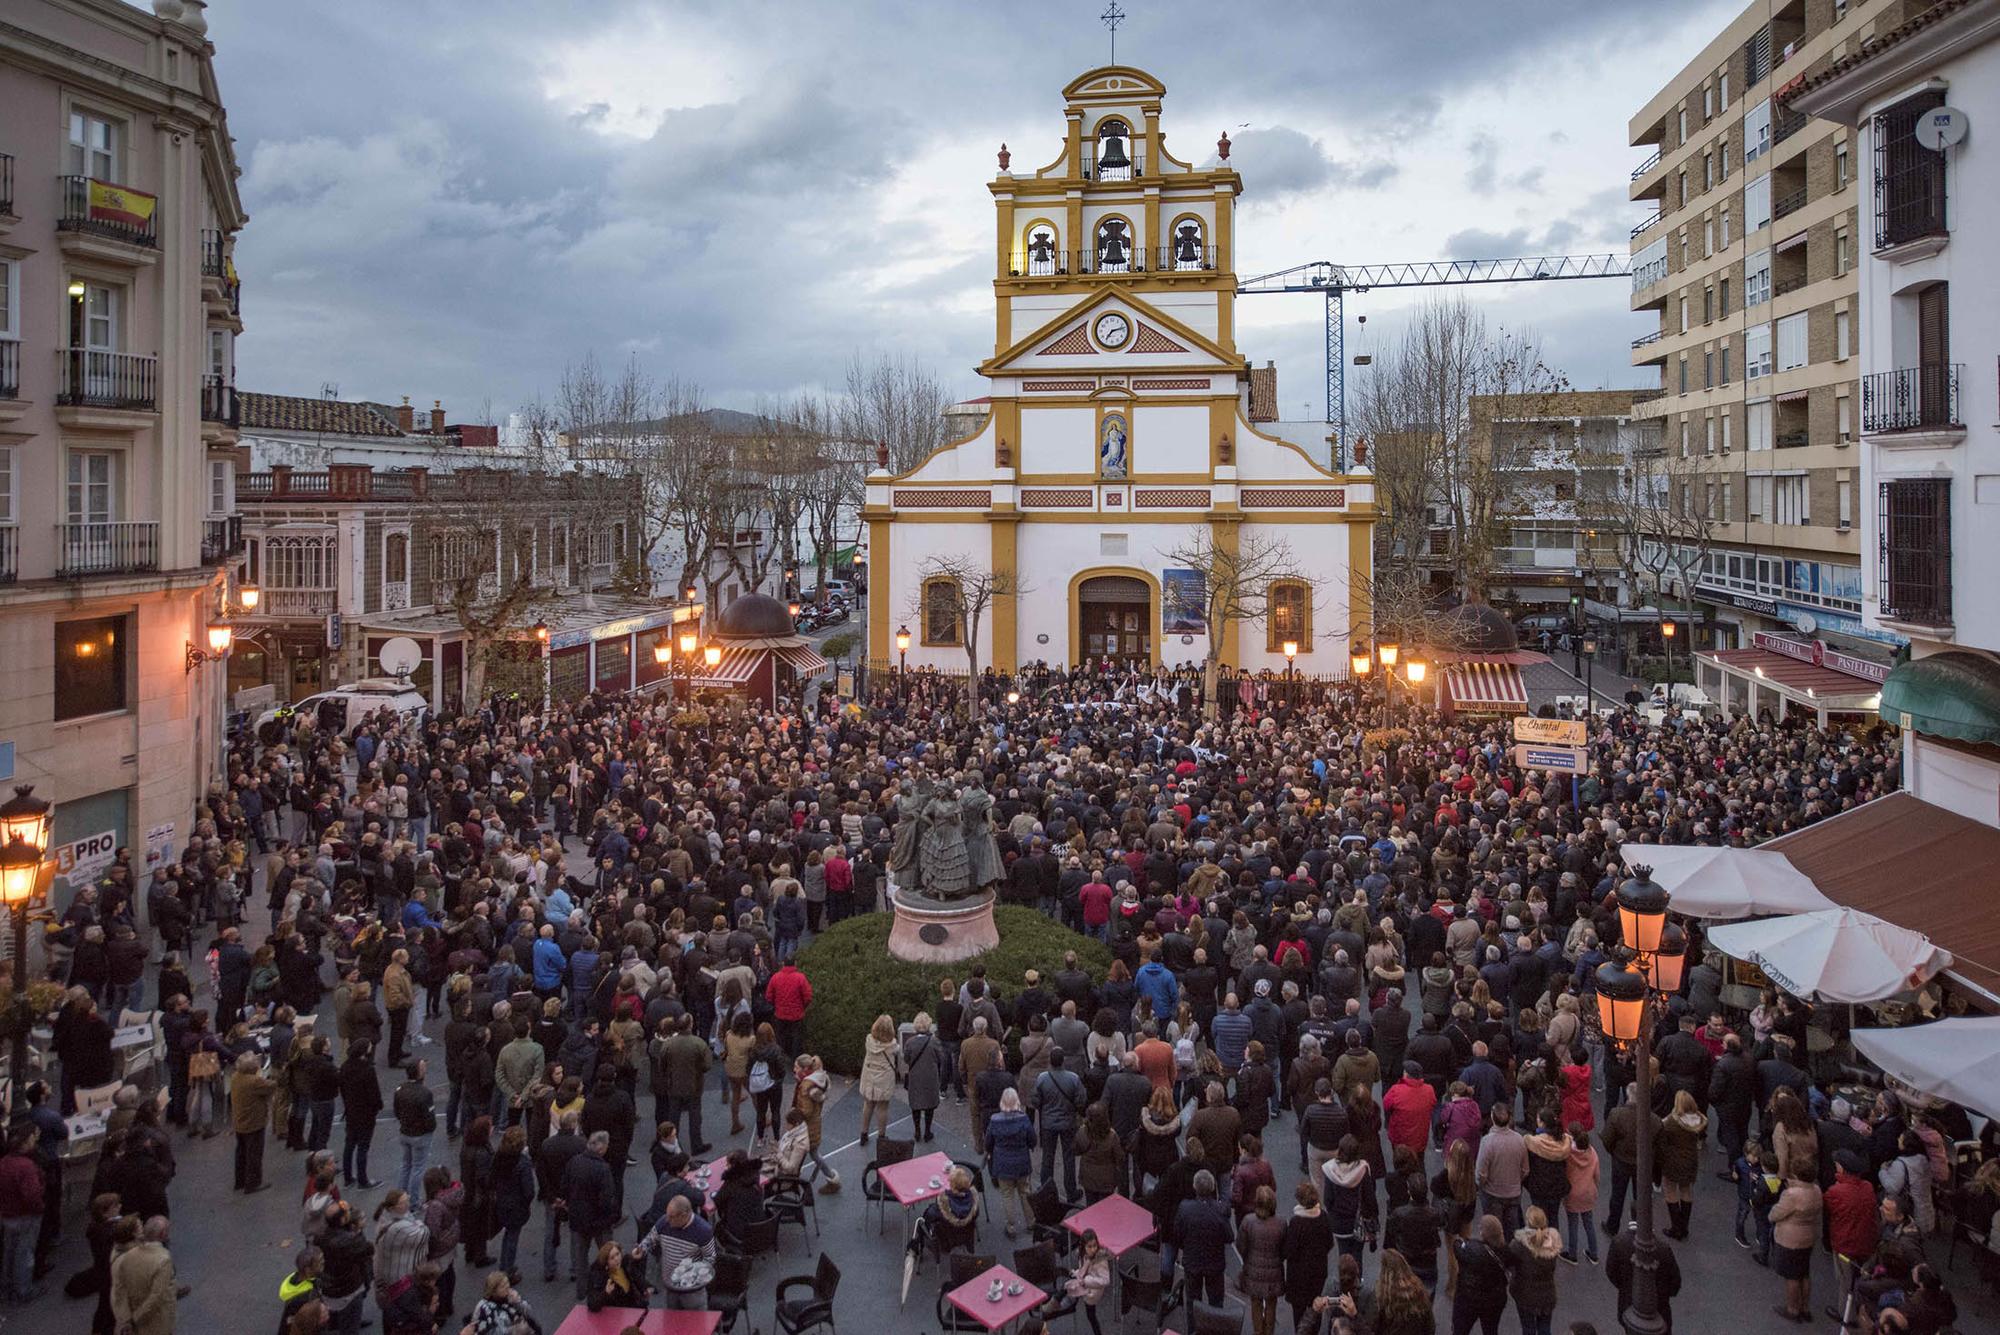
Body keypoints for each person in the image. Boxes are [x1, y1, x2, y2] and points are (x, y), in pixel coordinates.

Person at [630, 1193, 715, 1309]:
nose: (667, 1219)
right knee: (672, 1323)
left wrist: (692, 1274)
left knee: (695, 1323)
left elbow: (710, 1258)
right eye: (667, 1215)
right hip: (670, 1288)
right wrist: (642, 1249)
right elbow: (651, 1239)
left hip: (692, 1292)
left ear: (684, 1215)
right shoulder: (664, 1222)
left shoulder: (703, 1231)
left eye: (671, 1216)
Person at [1164, 1168, 1233, 1309]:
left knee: (1193, 1302)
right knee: (1216, 1303)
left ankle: (1193, 1329)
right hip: (1214, 1263)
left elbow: (1177, 1234)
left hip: (1192, 1262)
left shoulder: (1185, 1208)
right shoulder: (1220, 1210)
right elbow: (1229, 1236)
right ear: (1213, 1187)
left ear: (1195, 1187)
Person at [1606, 1220, 1681, 1334]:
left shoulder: (1619, 1243)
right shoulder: (1663, 1248)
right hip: (1660, 1309)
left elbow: (1611, 1272)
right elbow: (1675, 1282)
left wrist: (1625, 1287)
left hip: (1629, 1304)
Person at [1769, 1167, 1823, 1323]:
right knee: (1804, 1274)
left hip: (1790, 1238)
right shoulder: (1816, 1190)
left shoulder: (1792, 1194)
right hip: (1808, 1236)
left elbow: (1777, 1213)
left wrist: (1771, 1216)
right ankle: (1805, 1308)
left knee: (1791, 1276)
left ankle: (1792, 1309)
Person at [109, 1215, 177, 1335]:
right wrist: (132, 1319)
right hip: (153, 1318)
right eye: (140, 1226)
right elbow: (156, 1295)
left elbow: (119, 1290)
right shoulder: (161, 1259)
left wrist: (126, 1319)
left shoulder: (126, 1254)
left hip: (135, 1313)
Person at [1656, 1089, 1708, 1240]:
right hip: (1690, 1159)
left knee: (1670, 1189)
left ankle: (1676, 1226)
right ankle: (1684, 1226)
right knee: (1686, 1189)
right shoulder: (1698, 1120)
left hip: (1673, 1159)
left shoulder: (1672, 1122)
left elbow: (1660, 1130)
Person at [986, 1086, 1037, 1237]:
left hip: (1003, 1164)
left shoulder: (995, 1121)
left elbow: (988, 1142)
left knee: (1007, 1196)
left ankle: (1011, 1227)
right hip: (1021, 1162)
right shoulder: (1024, 1119)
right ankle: (1031, 1222)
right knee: (1025, 1192)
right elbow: (1032, 1139)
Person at [1238, 1184, 1288, 1335]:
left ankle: (1258, 1332)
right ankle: (1269, 1331)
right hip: (1274, 1270)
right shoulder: (1281, 1223)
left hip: (1253, 1268)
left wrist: (1247, 1258)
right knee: (1272, 1303)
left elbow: (1241, 1245)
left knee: (1256, 1302)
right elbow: (1285, 1249)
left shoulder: (1248, 1221)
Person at [1450, 1213, 1510, 1335]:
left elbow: (1456, 1247)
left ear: (1484, 1233)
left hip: (1469, 1298)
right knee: (1491, 1330)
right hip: (1494, 1299)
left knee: (1460, 1330)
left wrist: (1459, 1239)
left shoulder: (1471, 1250)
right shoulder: (1506, 1251)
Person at [1505, 1205, 1562, 1335]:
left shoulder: (1518, 1245)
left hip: (1525, 1293)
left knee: (1528, 1328)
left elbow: (1508, 1263)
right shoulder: (1553, 1242)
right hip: (1547, 1294)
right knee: (1545, 1328)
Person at [231, 1050, 277, 1193]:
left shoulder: (235, 1077)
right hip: (254, 1122)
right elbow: (270, 1086)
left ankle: (240, 1181)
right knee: (254, 1154)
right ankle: (253, 1183)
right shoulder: (254, 1081)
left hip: (240, 1121)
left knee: (241, 1152)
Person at [392, 1059, 437, 1199]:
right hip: (420, 1135)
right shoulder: (425, 1093)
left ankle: (400, 1197)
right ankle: (413, 1202)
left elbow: (397, 1111)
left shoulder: (400, 1089)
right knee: (418, 1169)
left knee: (406, 1165)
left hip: (405, 1132)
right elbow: (429, 1119)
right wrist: (430, 1129)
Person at [857, 1013, 902, 1147]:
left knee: (868, 1104)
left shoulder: (869, 1040)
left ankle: (863, 1133)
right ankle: (881, 1136)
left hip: (869, 1077)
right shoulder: (893, 1046)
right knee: (882, 1108)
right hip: (883, 1079)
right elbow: (898, 1052)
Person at [584, 1239, 652, 1312]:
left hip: (632, 1310)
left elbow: (638, 1277)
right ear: (606, 1262)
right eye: (612, 1258)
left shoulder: (625, 1264)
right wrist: (605, 1293)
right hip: (614, 1315)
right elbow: (592, 1304)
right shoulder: (598, 1276)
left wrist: (645, 1288)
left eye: (617, 1254)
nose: (617, 1259)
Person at [469, 1269, 542, 1335]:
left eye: (507, 1283)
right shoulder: (485, 1308)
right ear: (493, 1291)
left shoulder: (508, 1297)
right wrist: (515, 1330)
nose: (507, 1287)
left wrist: (518, 1302)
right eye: (503, 1286)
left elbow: (528, 1311)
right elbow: (493, 1332)